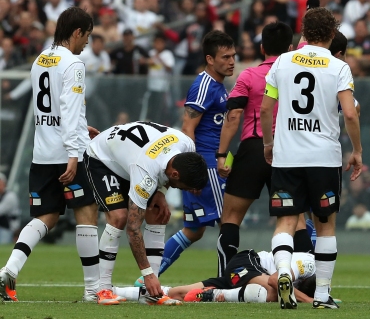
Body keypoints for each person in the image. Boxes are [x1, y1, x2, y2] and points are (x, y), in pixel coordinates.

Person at [0, 7, 107, 304]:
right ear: (77, 33)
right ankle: (93, 290)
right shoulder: (74, 63)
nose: (87, 42)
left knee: (45, 216)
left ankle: (8, 270)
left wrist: (81, 127)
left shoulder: (40, 60)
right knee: (87, 212)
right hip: (67, 153)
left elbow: (52, 108)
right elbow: (69, 108)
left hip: (43, 152)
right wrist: (75, 153)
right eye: (87, 35)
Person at [261, 7, 363, 309]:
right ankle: (321, 296)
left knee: (286, 222)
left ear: (303, 32)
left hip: (287, 156)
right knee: (325, 226)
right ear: (332, 35)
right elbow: (349, 113)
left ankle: (282, 274)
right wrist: (357, 151)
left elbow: (266, 109)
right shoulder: (339, 67)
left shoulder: (282, 61)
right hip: (323, 159)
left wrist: (268, 143)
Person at [215, 22, 316, 276]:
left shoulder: (248, 76)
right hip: (287, 150)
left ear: (261, 47)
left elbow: (234, 115)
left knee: (231, 217)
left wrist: (221, 155)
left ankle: (226, 279)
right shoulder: (297, 71)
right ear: (291, 48)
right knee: (297, 221)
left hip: (253, 148)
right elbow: (310, 34)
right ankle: (308, 281)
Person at [86, 121, 208, 305]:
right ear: (175, 174)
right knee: (119, 217)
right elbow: (133, 229)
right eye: (185, 188)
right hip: (102, 158)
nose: (186, 191)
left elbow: (168, 167)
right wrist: (147, 274)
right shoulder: (146, 173)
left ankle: (151, 294)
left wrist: (161, 193)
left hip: (134, 156)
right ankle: (103, 290)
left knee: (157, 214)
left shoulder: (186, 145)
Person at [155, 30, 234, 278]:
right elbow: (188, 128)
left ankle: (148, 276)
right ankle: (227, 280)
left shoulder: (218, 85)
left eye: (233, 56)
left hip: (214, 162)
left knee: (194, 230)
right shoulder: (204, 85)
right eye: (225, 57)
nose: (231, 61)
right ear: (210, 59)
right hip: (208, 164)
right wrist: (195, 174)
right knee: (228, 221)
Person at [112, 249, 316, 304]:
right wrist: (308, 300)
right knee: (274, 292)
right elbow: (275, 280)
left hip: (244, 281)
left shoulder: (315, 276)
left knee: (178, 294)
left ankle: (117, 292)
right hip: (246, 263)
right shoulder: (308, 262)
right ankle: (215, 296)